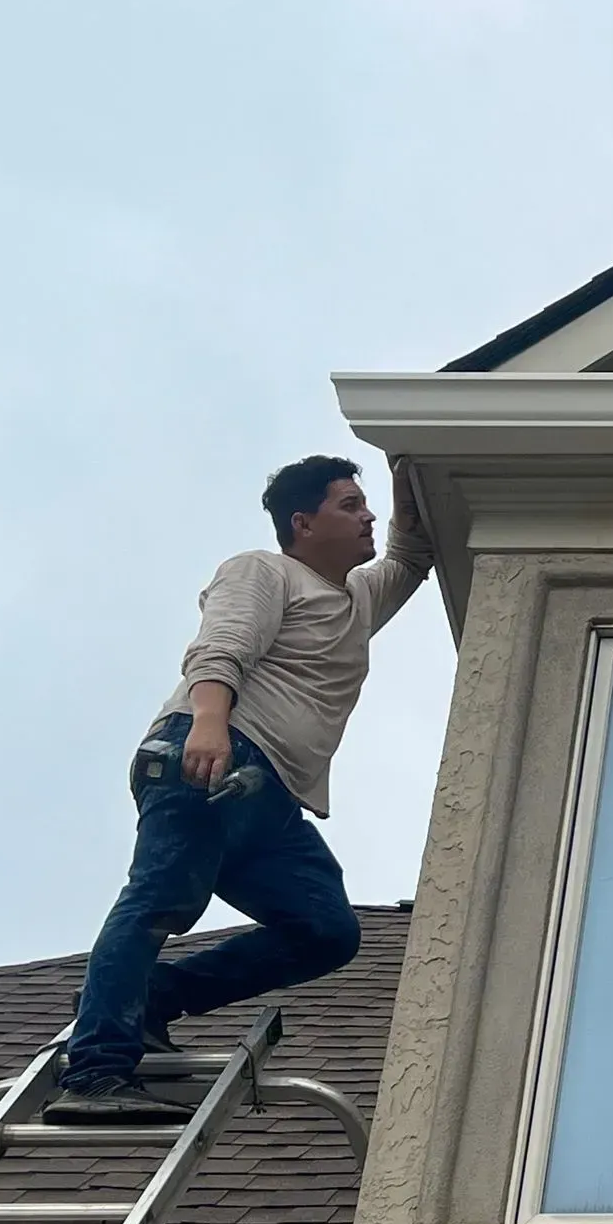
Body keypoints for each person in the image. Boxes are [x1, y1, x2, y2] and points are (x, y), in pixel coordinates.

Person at [47, 455, 433, 1122]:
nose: (366, 515)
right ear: (302, 523)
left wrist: (409, 480)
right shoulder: (265, 569)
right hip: (210, 758)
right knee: (158, 901)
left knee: (324, 930)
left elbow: (410, 557)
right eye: (349, 505)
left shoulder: (356, 600)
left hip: (269, 796)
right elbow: (220, 645)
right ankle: (96, 1071)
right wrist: (208, 724)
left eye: (366, 504)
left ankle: (151, 997)